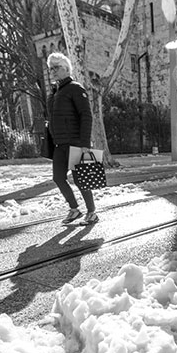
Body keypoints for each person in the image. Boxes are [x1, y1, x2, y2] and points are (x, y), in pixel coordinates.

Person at [46, 51, 98, 225]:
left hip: (75, 142)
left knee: (81, 178)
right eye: (50, 68)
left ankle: (92, 213)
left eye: (56, 67)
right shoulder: (54, 94)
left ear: (66, 69)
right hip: (59, 144)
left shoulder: (75, 88)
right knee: (58, 178)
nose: (52, 71)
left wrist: (85, 144)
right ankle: (74, 209)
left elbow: (86, 115)